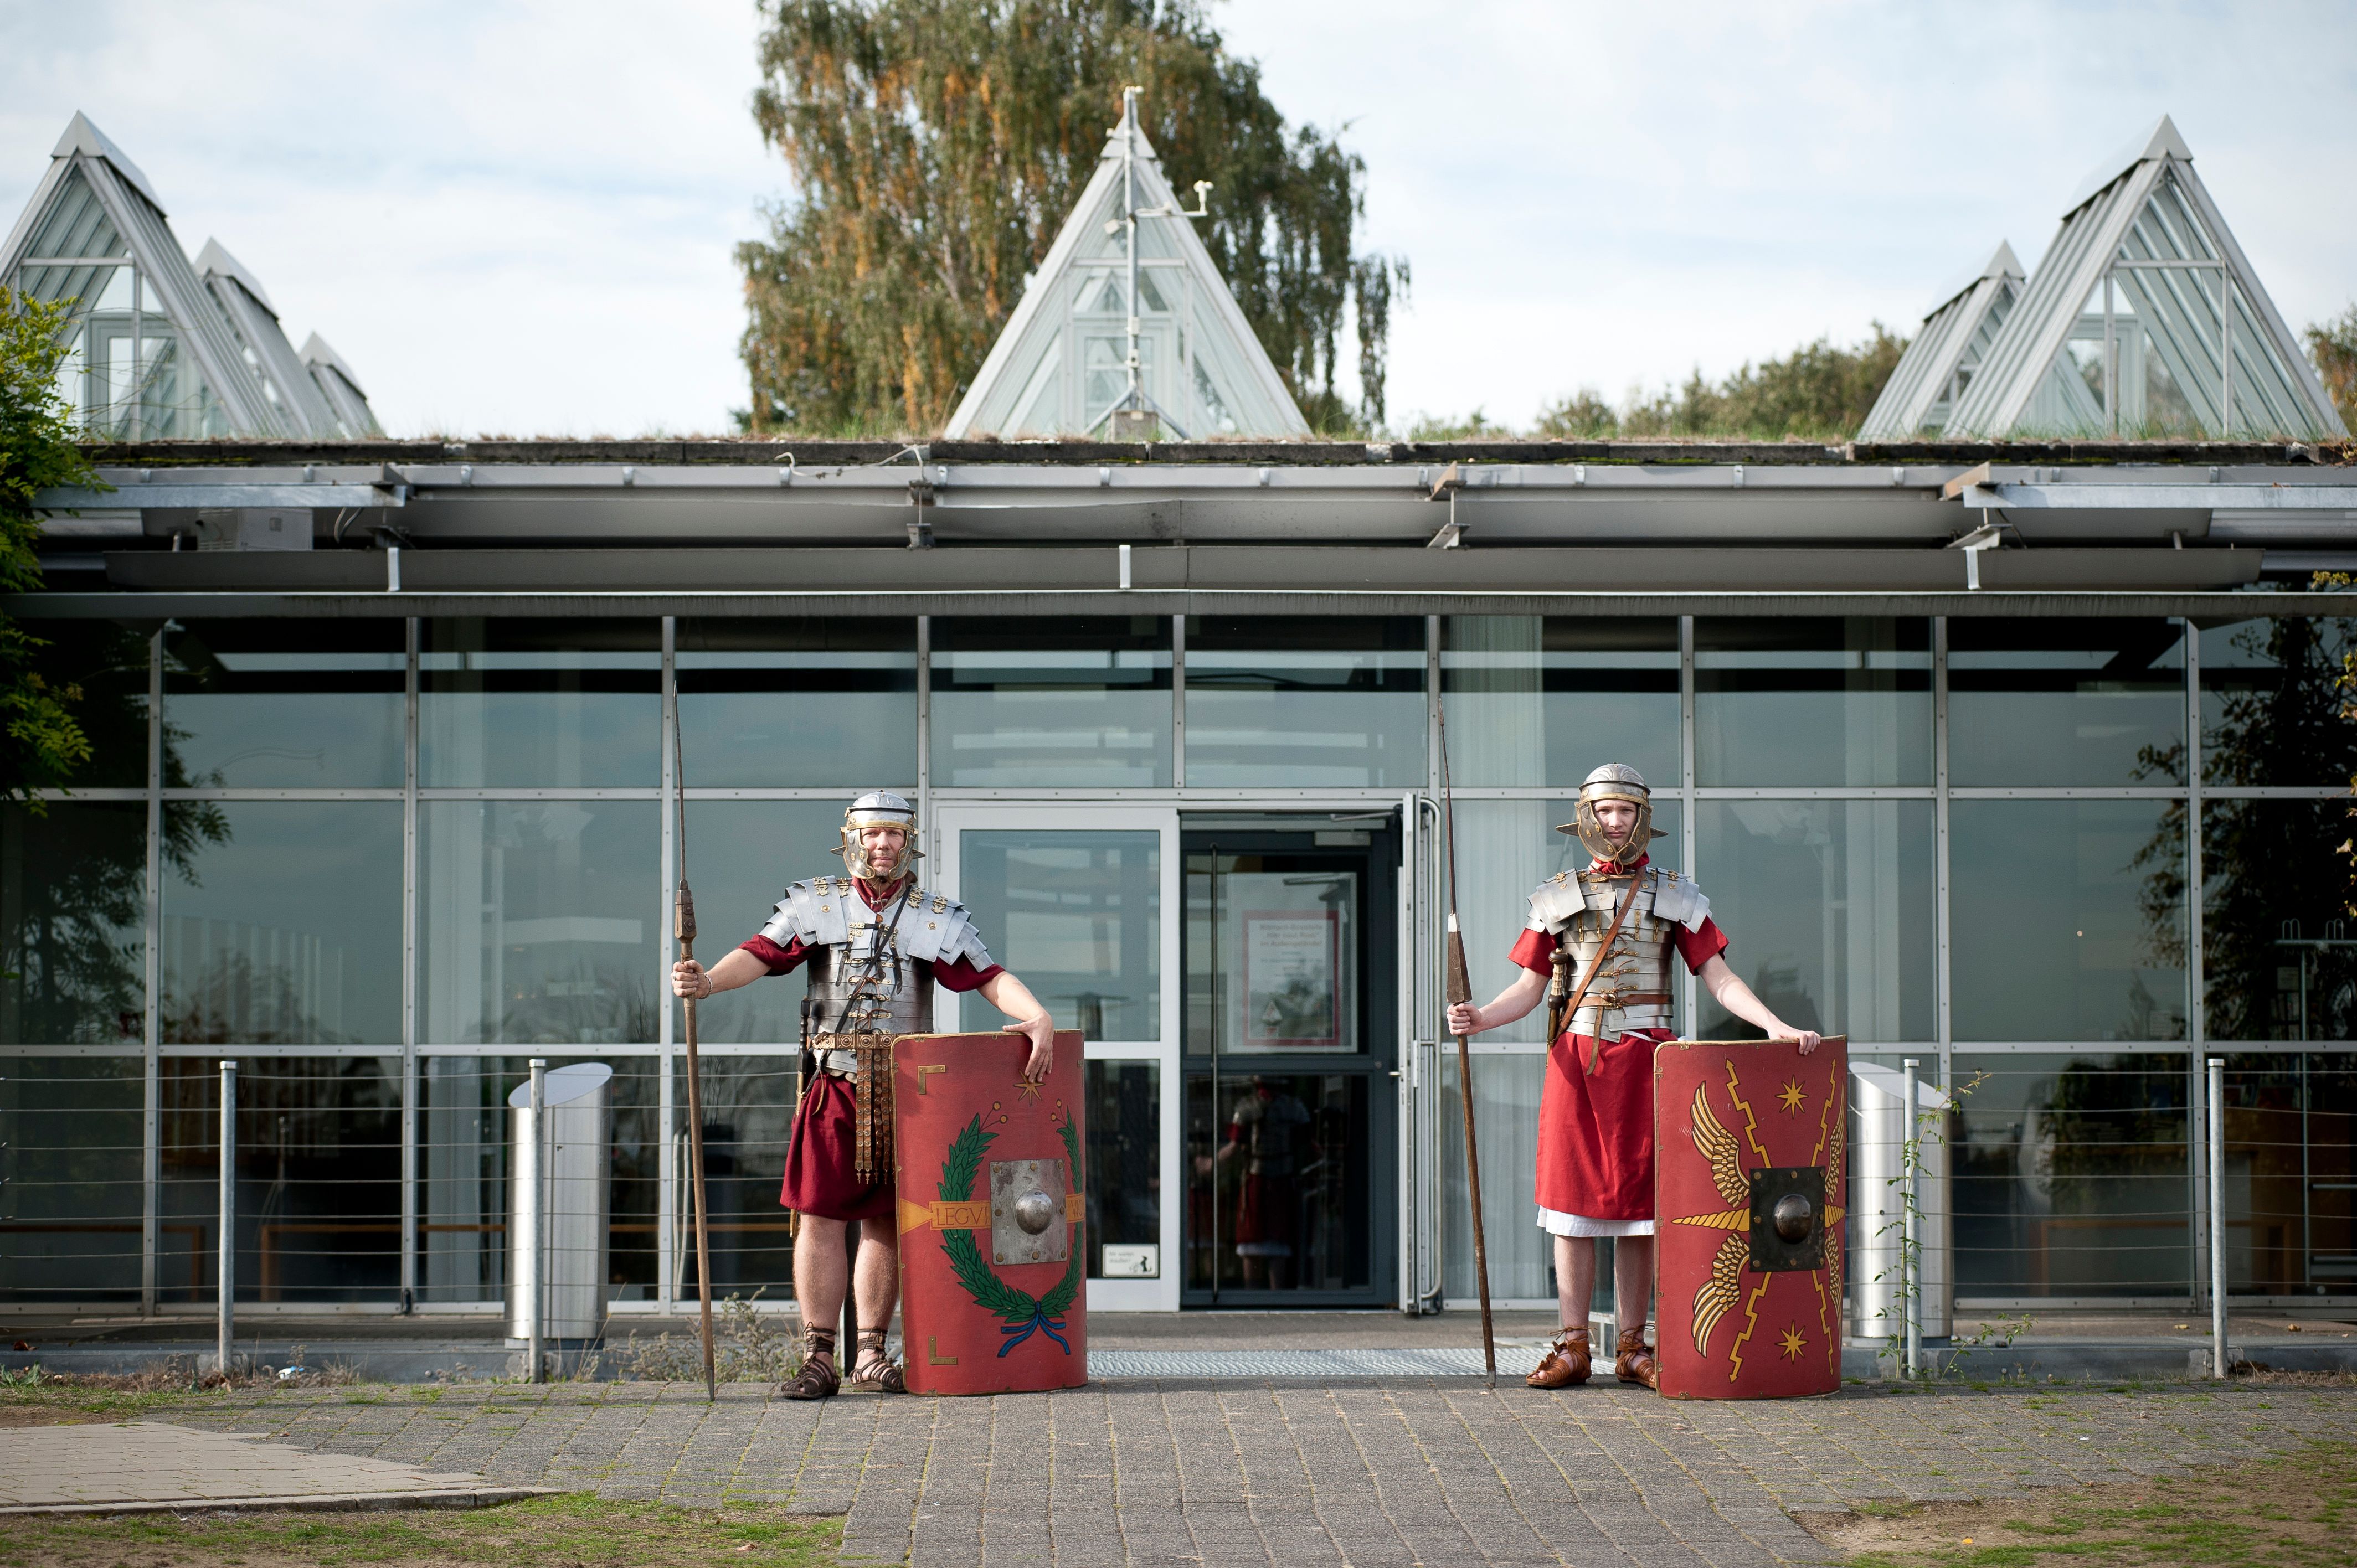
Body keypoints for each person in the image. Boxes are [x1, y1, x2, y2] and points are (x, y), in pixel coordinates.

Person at [1445, 764, 1820, 1392]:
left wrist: (1773, 1026)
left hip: (1651, 1063)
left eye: (1623, 812)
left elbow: (1719, 979)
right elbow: (1528, 991)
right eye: (1602, 813)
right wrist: (1479, 1017)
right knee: (1570, 1206)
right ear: (1585, 820)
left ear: (1642, 819)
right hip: (1577, 1064)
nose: (1613, 823)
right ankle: (1571, 1347)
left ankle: (1630, 1346)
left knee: (1641, 1211)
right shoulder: (1556, 897)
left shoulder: (1677, 895)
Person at [670, 790, 1054, 1399]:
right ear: (851, 837)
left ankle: (869, 1353)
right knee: (819, 1219)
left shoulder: (936, 914)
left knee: (885, 1221)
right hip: (835, 1084)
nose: (882, 846)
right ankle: (818, 1355)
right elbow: (762, 954)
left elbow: (986, 977)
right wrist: (709, 981)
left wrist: (1036, 1016)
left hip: (909, 1097)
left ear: (909, 843)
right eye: (872, 834)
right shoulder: (814, 904)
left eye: (894, 836)